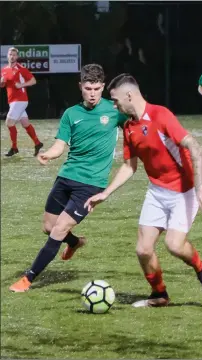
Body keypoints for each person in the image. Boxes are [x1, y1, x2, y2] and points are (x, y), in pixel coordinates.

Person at [85, 73, 202, 308]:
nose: (114, 105)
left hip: (183, 192)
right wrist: (106, 193)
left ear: (129, 95)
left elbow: (195, 147)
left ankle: (201, 267)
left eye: (115, 100)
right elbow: (129, 166)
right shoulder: (128, 127)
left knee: (175, 245)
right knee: (143, 250)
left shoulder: (160, 115)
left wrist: (200, 187)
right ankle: (160, 294)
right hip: (157, 192)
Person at [9, 64, 127, 292]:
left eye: (96, 88)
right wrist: (48, 155)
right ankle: (75, 242)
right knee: (48, 226)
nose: (92, 93)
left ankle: (28, 278)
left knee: (59, 229)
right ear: (80, 87)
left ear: (103, 87)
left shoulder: (115, 111)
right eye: (88, 88)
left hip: (92, 184)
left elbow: (136, 125)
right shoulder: (71, 114)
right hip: (66, 177)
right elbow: (60, 146)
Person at [0, 47, 43, 157]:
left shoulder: (21, 68)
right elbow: (3, 85)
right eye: (10, 54)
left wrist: (21, 85)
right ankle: (37, 143)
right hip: (12, 101)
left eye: (14, 55)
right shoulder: (4, 70)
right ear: (7, 56)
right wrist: (2, 83)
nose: (12, 56)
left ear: (17, 57)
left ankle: (14, 148)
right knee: (25, 124)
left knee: (9, 123)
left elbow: (33, 81)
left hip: (20, 100)